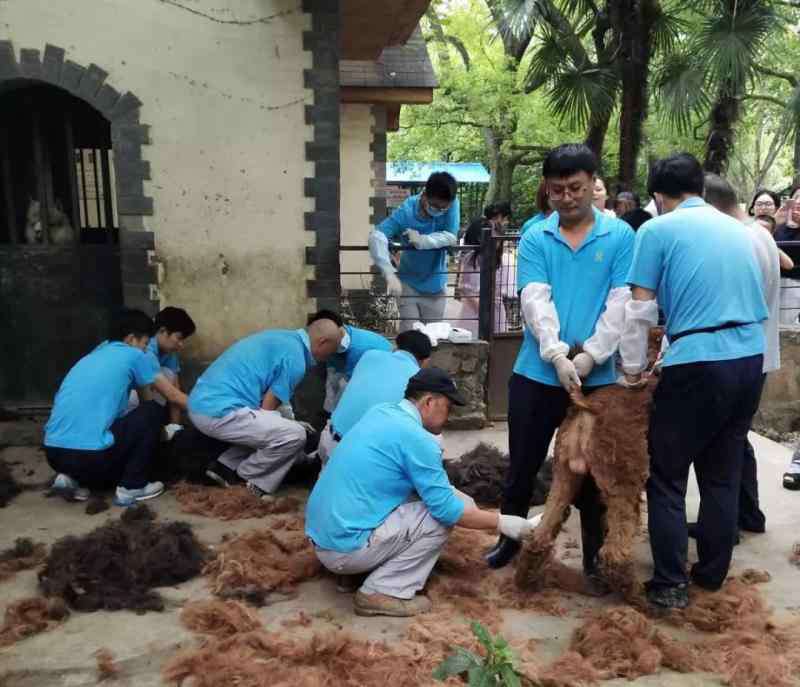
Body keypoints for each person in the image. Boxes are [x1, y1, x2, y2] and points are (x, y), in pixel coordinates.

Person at [620, 153, 767, 610]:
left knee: (666, 476)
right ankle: (711, 574)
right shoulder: (738, 230)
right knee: (722, 474)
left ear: (659, 197)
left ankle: (669, 583)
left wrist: (631, 371)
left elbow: (640, 309)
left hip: (697, 361)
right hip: (749, 358)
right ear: (700, 188)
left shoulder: (657, 229)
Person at [487, 144, 635, 579]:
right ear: (546, 191)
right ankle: (509, 545)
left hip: (598, 379)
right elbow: (535, 298)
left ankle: (592, 557)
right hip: (536, 374)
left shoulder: (620, 237)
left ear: (592, 184)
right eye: (557, 190)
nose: (567, 198)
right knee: (523, 466)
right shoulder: (536, 236)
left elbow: (621, 301)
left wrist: (592, 355)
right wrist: (554, 353)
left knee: (591, 473)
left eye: (576, 188)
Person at [305, 367, 539, 617]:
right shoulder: (418, 439)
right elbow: (448, 511)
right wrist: (506, 523)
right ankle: (381, 592)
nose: (448, 417)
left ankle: (351, 575)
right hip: (344, 549)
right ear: (429, 402)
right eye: (448, 407)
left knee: (445, 499)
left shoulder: (381, 412)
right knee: (439, 518)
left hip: (323, 536)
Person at [701, 173, 780, 536]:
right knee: (736, 440)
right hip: (757, 355)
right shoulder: (760, 234)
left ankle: (724, 524)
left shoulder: (739, 240)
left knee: (720, 447)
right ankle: (747, 515)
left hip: (738, 356)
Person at [189, 315, 342, 499]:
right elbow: (268, 410)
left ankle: (224, 468)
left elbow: (274, 407)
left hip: (202, 405)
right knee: (294, 435)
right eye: (331, 351)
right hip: (218, 411)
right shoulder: (296, 360)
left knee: (275, 430)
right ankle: (248, 480)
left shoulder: (283, 339)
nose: (329, 357)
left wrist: (288, 423)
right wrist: (297, 449)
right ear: (322, 342)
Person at [43, 308, 167, 506]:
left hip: (53, 453)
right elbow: (147, 401)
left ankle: (71, 478)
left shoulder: (91, 357)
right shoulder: (135, 356)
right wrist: (163, 433)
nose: (145, 350)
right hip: (91, 456)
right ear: (130, 339)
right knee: (152, 412)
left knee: (97, 432)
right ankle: (132, 486)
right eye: (144, 343)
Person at [318, 329, 433, 464]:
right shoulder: (420, 380)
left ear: (397, 347)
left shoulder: (369, 356)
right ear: (425, 361)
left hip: (328, 443)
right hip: (358, 458)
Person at [369, 172, 460, 331]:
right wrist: (389, 273)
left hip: (436, 285)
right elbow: (377, 236)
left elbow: (451, 237)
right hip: (408, 283)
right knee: (411, 334)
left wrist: (422, 241)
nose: (439, 210)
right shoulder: (406, 211)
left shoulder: (451, 204)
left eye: (443, 208)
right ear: (424, 195)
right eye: (435, 206)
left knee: (434, 336)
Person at [308, 310, 393, 414]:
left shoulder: (358, 349)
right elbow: (332, 375)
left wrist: (335, 413)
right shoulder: (337, 338)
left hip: (379, 372)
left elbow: (347, 385)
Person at [128, 306, 195, 436]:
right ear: (163, 331)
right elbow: (172, 395)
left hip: (146, 403)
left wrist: (174, 427)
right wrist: (209, 409)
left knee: (168, 375)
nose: (181, 344)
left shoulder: (170, 351)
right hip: (124, 405)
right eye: (179, 338)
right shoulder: (146, 347)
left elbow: (175, 388)